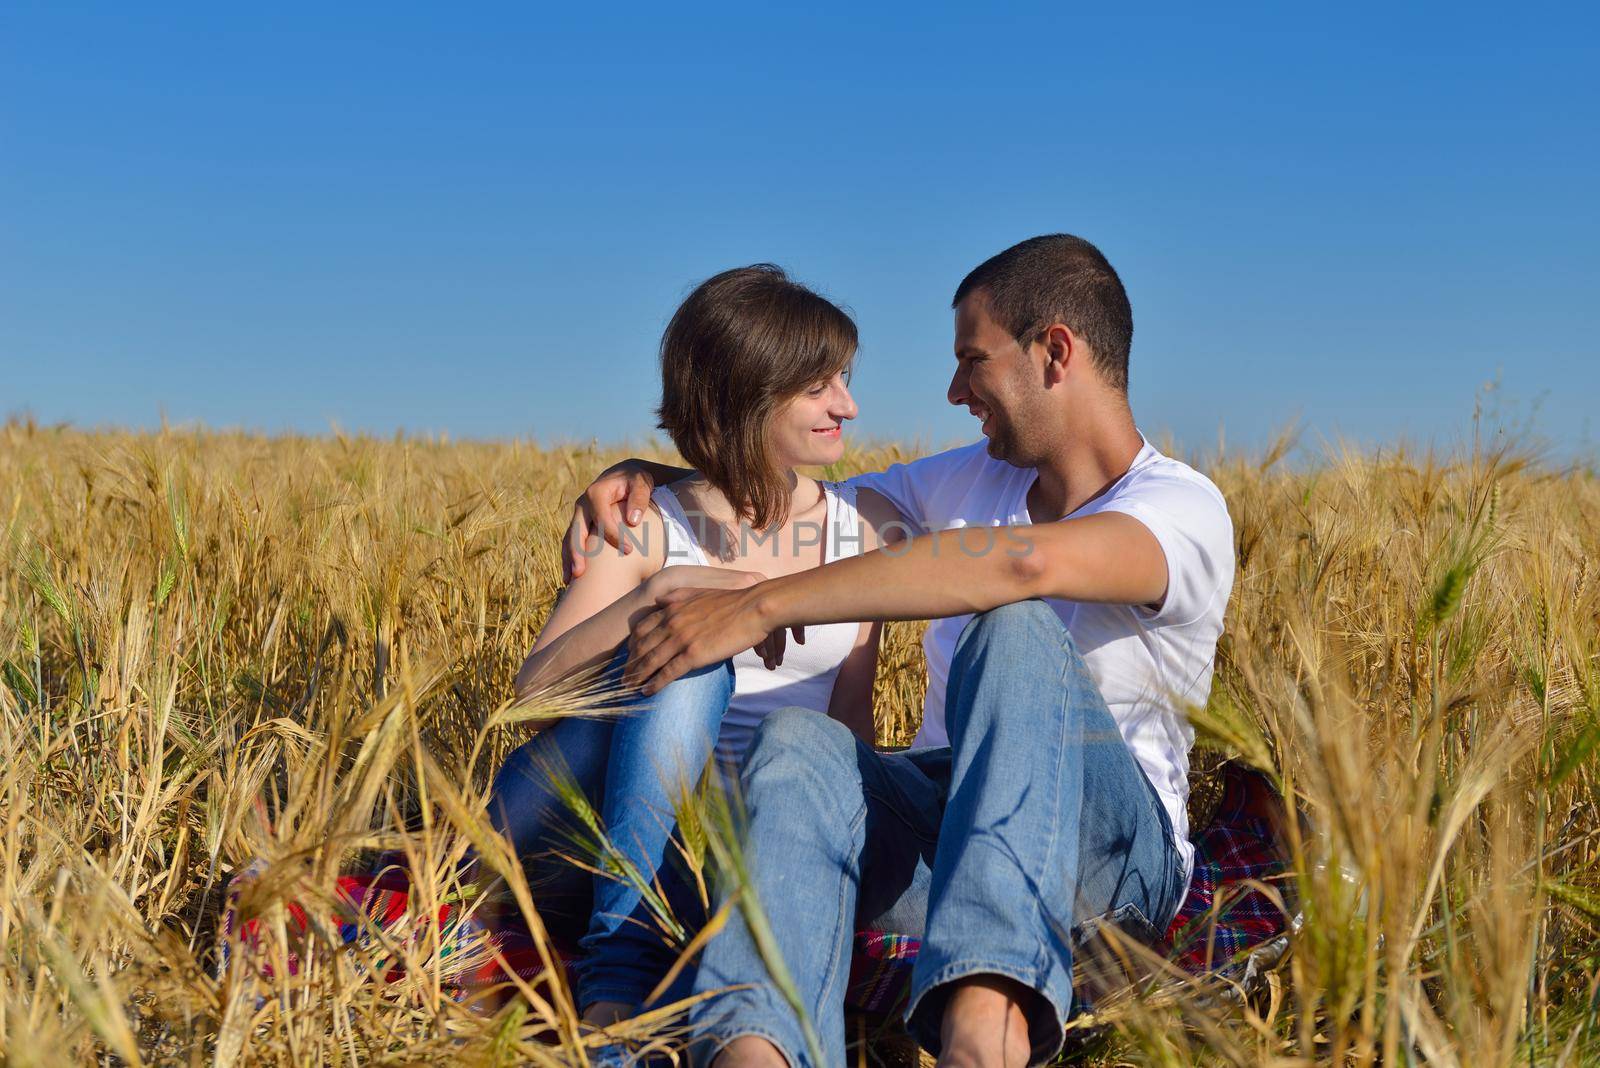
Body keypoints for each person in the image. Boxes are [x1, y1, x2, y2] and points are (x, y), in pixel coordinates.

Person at [564, 235, 1236, 1067]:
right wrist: (655, 477)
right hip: (944, 832)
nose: (955, 391)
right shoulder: (968, 479)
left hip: (1109, 863)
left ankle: (980, 1033)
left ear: (1054, 351)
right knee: (800, 745)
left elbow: (1024, 562)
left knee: (1012, 621)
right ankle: (756, 1051)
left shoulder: (1182, 508)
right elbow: (782, 496)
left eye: (972, 360)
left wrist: (758, 606)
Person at [491, 264, 900, 1036]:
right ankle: (618, 969)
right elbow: (530, 701)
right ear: (749, 393)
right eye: (820, 388)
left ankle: (634, 967)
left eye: (843, 379)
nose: (848, 405)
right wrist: (659, 594)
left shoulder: (862, 531)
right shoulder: (650, 523)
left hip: (729, 850)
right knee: (693, 643)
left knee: (702, 636)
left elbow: (850, 731)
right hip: (575, 830)